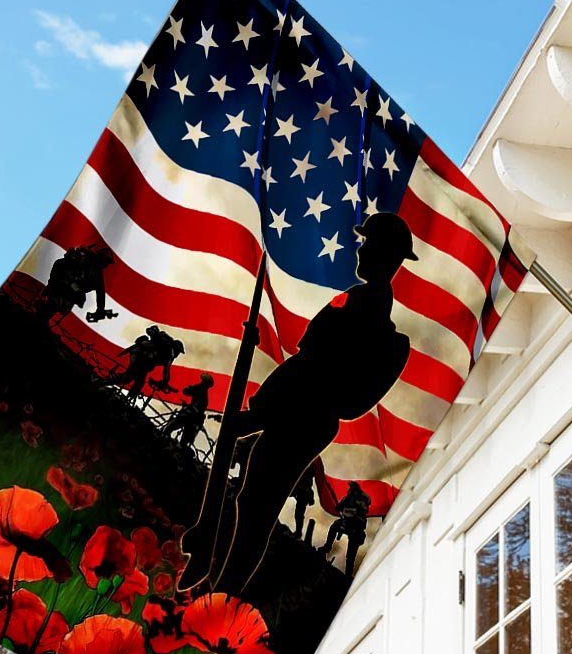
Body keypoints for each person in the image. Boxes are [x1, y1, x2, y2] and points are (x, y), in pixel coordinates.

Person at [183, 212, 417, 593]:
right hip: (301, 414)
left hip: (300, 414)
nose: (360, 248)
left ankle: (222, 590)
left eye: (368, 242)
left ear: (385, 255)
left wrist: (260, 415)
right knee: (253, 499)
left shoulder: (364, 310)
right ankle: (216, 578)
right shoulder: (363, 306)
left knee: (257, 506)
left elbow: (315, 371)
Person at [38, 246, 114, 324]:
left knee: (58, 305)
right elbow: (60, 264)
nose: (105, 265)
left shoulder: (97, 273)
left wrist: (100, 309)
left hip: (70, 294)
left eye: (106, 263)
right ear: (100, 258)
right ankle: (41, 315)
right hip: (60, 286)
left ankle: (43, 317)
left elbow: (100, 292)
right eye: (105, 261)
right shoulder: (83, 258)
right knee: (54, 303)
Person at [322, 481, 371, 578]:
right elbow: (339, 507)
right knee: (334, 527)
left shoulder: (362, 499)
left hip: (357, 528)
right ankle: (327, 547)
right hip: (346, 523)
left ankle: (348, 575)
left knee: (351, 556)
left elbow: (361, 511)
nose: (350, 490)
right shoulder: (349, 497)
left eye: (352, 489)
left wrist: (350, 509)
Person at [164, 373, 214, 450]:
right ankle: (178, 444)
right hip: (195, 417)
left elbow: (186, 391)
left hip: (192, 415)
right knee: (185, 433)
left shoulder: (199, 388)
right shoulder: (204, 393)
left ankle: (168, 435)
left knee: (178, 423)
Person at [291, 465, 316, 538]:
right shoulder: (307, 480)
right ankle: (298, 532)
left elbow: (304, 488)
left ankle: (298, 533)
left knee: (298, 515)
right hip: (303, 496)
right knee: (299, 515)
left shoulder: (306, 479)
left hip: (303, 497)